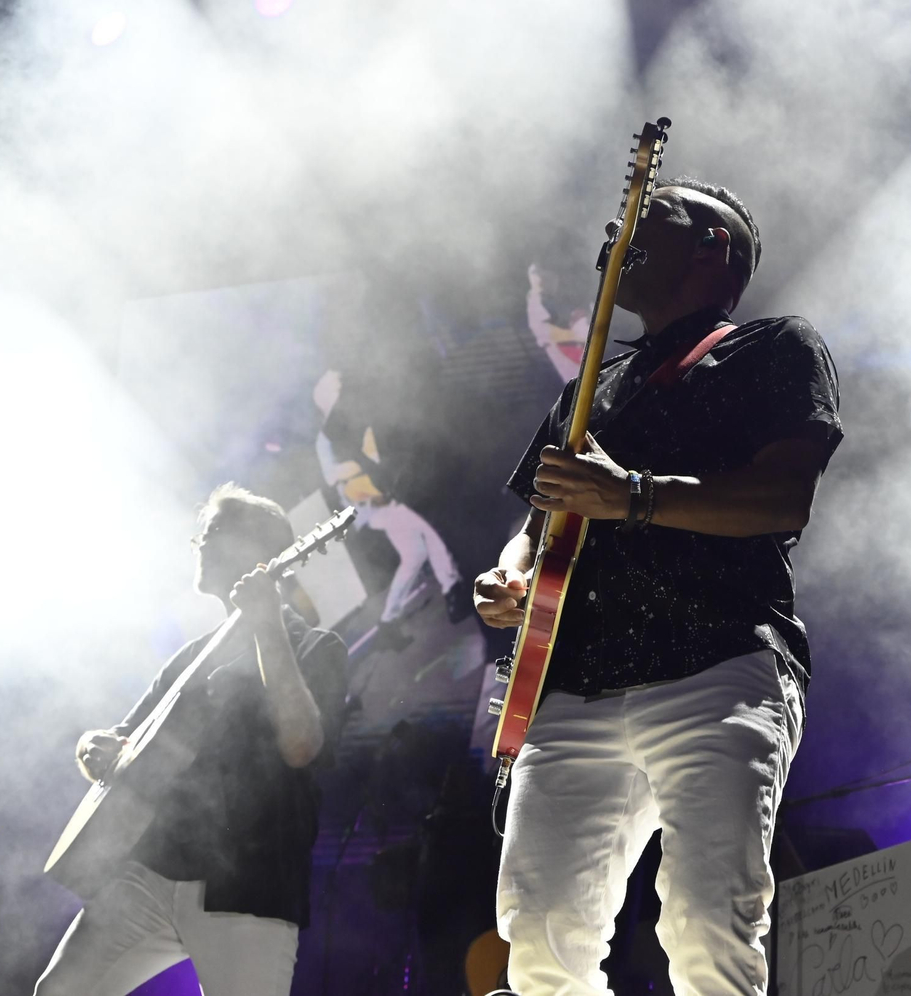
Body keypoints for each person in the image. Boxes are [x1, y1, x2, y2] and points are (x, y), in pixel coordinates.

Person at [473, 177, 843, 995]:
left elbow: (783, 500)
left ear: (714, 248)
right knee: (537, 937)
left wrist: (631, 493)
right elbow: (536, 527)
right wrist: (513, 576)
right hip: (572, 686)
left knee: (708, 921)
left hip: (717, 664)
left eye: (651, 216)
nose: (619, 227)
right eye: (618, 218)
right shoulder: (586, 392)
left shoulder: (774, 347)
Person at [34, 484, 348, 996]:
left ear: (257, 549)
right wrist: (93, 747)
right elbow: (120, 742)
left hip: (248, 882)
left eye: (214, 531)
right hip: (154, 868)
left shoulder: (316, 646)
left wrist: (267, 623)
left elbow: (300, 746)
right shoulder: (190, 657)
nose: (199, 543)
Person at [312, 368, 469, 648]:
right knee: (427, 530)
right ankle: (453, 591)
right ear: (326, 398)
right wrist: (362, 464)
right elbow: (331, 475)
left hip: (383, 494)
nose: (343, 392)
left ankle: (388, 622)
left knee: (415, 554)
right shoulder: (325, 439)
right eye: (337, 388)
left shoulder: (357, 421)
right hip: (367, 502)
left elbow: (376, 455)